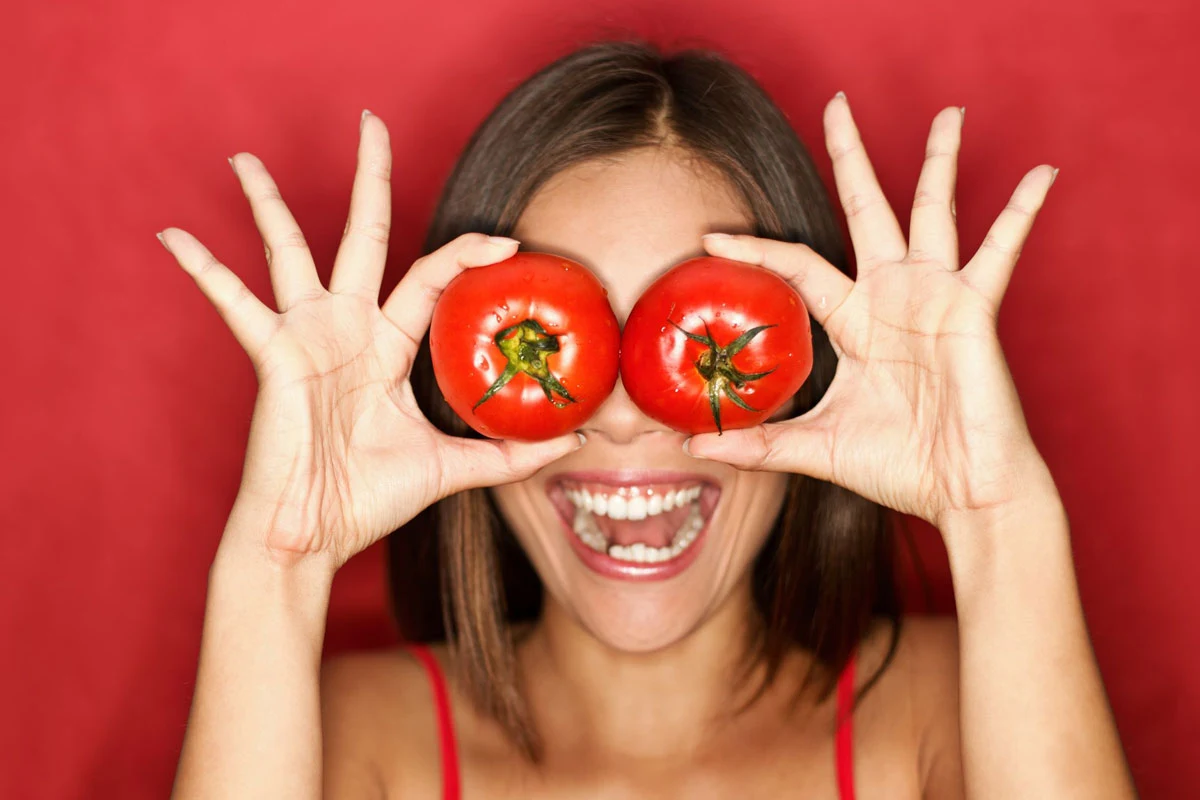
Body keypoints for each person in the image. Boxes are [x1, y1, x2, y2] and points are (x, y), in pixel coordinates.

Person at [161, 40, 1135, 798]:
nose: (626, 419)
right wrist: (275, 569)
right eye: (563, 345)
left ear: (811, 378)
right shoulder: (354, 734)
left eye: (701, 332)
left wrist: (998, 520)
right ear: (453, 395)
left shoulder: (947, 709)